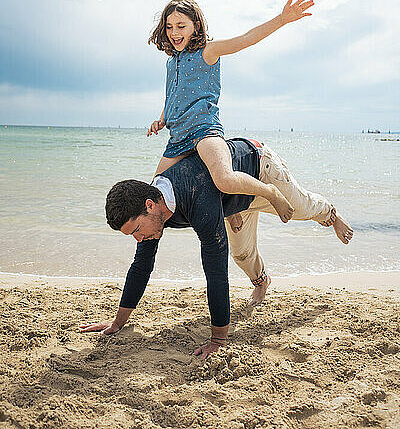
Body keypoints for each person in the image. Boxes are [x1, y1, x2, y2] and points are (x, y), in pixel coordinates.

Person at [80, 138, 353, 359]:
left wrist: (218, 340)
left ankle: (331, 214)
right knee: (241, 254)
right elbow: (141, 267)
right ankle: (262, 281)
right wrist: (117, 323)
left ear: (150, 206)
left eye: (136, 230)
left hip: (260, 171)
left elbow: (215, 271)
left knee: (301, 209)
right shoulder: (154, 208)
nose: (138, 239)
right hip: (230, 202)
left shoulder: (194, 196)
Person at [146, 0, 314, 226]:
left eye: (181, 26)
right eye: (169, 27)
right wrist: (162, 119)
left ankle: (270, 192)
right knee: (156, 194)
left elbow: (247, 39)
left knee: (224, 179)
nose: (174, 32)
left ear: (196, 25)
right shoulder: (171, 61)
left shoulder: (209, 51)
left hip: (204, 132)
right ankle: (229, 210)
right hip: (177, 139)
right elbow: (172, 95)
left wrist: (283, 19)